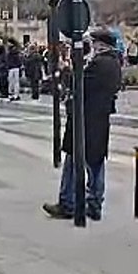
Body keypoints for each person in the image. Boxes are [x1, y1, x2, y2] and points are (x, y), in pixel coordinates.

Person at [42, 29, 122, 221]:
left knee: (78, 161)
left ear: (101, 45)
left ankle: (70, 202)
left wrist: (68, 70)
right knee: (92, 161)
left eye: (94, 43)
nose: (92, 46)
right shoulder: (112, 63)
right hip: (96, 119)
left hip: (88, 118)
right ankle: (89, 202)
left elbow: (81, 84)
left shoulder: (101, 64)